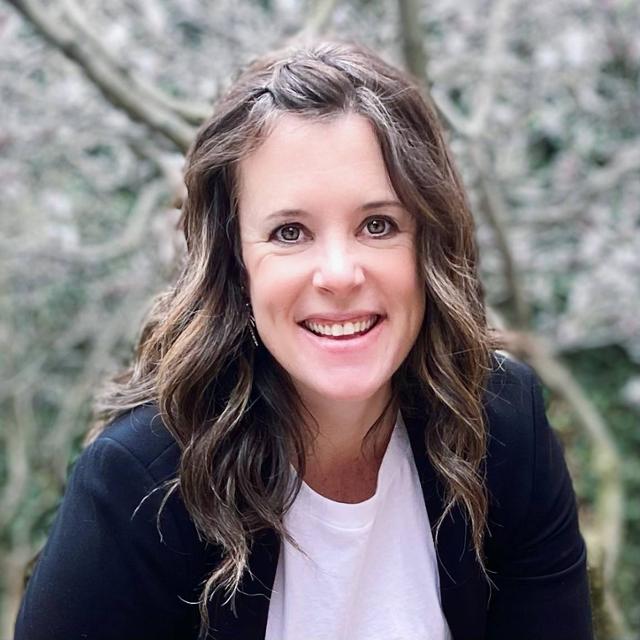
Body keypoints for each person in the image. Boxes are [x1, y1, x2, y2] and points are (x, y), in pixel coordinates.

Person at [14, 41, 593, 640]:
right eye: (290, 232)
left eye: (378, 225)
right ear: (235, 264)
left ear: (429, 246)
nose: (339, 274)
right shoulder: (140, 484)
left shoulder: (501, 423)